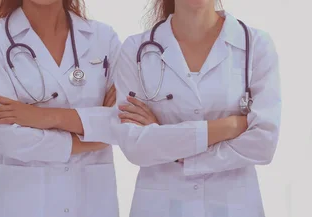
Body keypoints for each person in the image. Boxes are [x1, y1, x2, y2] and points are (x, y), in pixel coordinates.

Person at [77, 0, 281, 216]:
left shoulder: (256, 45)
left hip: (232, 206)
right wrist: (227, 127)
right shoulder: (136, 49)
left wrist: (168, 143)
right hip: (161, 207)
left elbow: (263, 143)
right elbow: (136, 147)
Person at [0, 0, 121, 216]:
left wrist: (42, 116)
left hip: (91, 203)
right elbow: (7, 138)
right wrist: (96, 138)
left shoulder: (103, 38)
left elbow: (123, 121)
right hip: (20, 203)